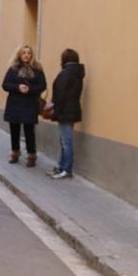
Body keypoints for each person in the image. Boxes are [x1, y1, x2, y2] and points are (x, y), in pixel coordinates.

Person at [1, 45, 47, 167]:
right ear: (19, 55)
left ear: (32, 55)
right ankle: (15, 152)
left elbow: (43, 85)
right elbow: (5, 85)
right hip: (15, 103)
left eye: (29, 53)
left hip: (30, 103)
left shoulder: (37, 69)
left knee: (29, 131)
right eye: (24, 53)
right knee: (14, 130)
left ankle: (32, 155)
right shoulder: (13, 69)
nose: (26, 55)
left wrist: (30, 89)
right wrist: (18, 87)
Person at [49, 49, 85, 179]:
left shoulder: (66, 73)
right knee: (65, 140)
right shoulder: (77, 73)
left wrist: (55, 111)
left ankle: (66, 169)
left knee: (66, 141)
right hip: (72, 110)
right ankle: (61, 166)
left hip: (65, 111)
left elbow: (60, 94)